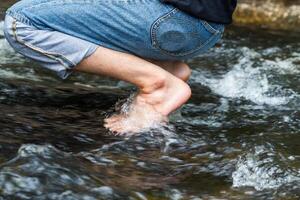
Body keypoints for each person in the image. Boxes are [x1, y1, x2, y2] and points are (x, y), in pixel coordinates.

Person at [3, 0, 237, 134]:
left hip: (171, 19)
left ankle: (158, 84)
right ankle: (165, 67)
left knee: (21, 21)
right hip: (206, 28)